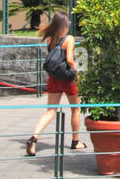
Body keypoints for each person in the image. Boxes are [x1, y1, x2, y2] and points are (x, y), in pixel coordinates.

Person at [27, 12, 85, 156]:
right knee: (75, 109)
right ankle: (75, 141)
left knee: (51, 110)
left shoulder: (50, 38)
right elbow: (70, 60)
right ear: (64, 24)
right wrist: (78, 71)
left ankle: (34, 137)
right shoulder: (69, 39)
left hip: (53, 78)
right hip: (67, 79)